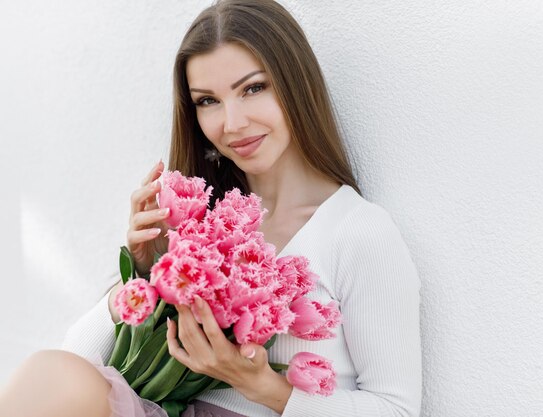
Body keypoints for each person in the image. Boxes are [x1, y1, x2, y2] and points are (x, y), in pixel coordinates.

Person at [0, 0, 422, 416]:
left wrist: (264, 387)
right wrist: (142, 278)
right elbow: (70, 366)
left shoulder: (358, 232)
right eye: (208, 101)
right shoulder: (199, 222)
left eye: (253, 88)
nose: (232, 123)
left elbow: (396, 409)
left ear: (297, 84)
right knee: (51, 373)